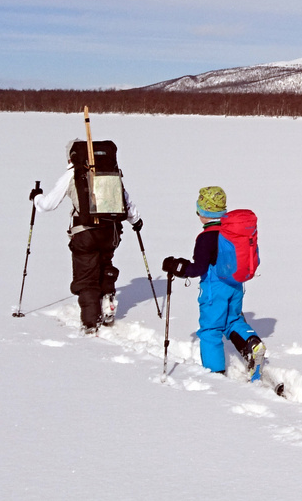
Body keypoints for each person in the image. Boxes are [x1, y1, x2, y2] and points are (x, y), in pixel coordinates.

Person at [35, 141, 143, 334]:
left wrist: (36, 198)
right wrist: (136, 221)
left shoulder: (72, 174)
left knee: (87, 278)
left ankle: (91, 324)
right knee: (104, 265)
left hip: (85, 233)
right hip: (111, 232)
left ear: (71, 157)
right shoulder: (109, 171)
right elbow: (126, 201)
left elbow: (47, 205)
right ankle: (108, 299)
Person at [161, 185, 266, 379]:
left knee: (211, 330)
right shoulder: (232, 233)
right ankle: (251, 343)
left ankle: (215, 375)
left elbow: (199, 268)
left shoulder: (206, 238)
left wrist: (177, 267)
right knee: (232, 320)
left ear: (202, 212)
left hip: (214, 290)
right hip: (235, 285)